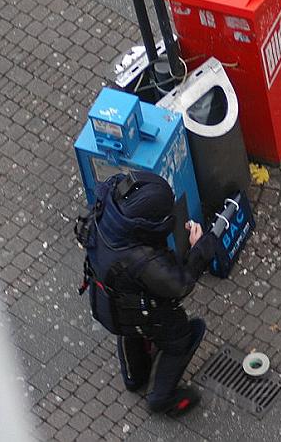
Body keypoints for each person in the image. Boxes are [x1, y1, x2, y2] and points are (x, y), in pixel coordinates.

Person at [75, 170, 216, 415]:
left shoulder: (107, 215)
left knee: (129, 329)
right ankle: (161, 397)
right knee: (182, 334)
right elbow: (178, 286)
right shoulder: (141, 259)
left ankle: (133, 376)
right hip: (138, 312)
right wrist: (198, 250)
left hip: (107, 305)